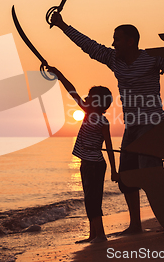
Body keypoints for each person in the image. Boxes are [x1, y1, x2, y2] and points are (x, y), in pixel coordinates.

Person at [50, 12, 164, 234]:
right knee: (126, 178)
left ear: (131, 41)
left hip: (153, 124)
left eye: (117, 39)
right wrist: (62, 25)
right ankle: (136, 224)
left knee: (150, 175)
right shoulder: (113, 59)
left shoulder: (152, 59)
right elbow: (89, 46)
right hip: (132, 126)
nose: (112, 43)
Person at [46, 65, 118, 243]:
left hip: (94, 165)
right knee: (89, 199)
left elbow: (109, 146)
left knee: (93, 200)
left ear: (98, 102)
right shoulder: (92, 115)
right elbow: (72, 91)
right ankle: (93, 235)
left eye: (91, 97)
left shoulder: (98, 119)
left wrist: (115, 171)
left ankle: (100, 235)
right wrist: (59, 74)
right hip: (88, 163)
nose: (86, 98)